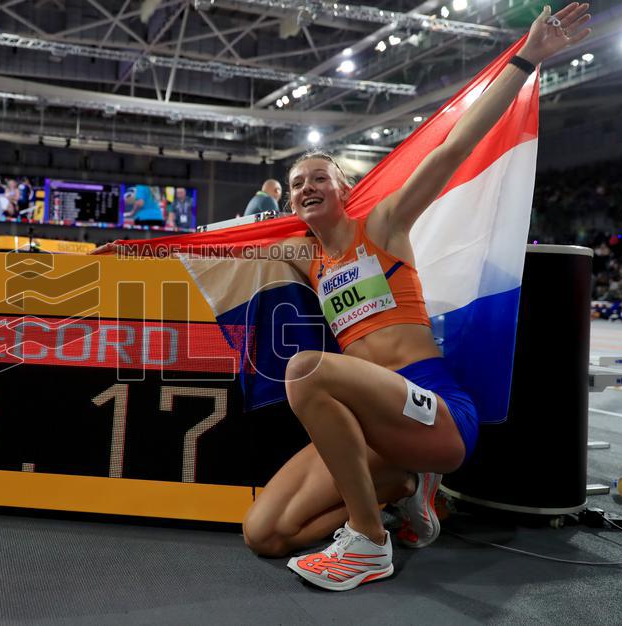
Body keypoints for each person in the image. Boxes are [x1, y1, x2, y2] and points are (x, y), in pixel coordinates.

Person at [239, 4, 591, 591]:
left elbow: (452, 150)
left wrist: (527, 58)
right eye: (297, 183)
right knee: (264, 534)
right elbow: (227, 248)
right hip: (375, 438)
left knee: (304, 371)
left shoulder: (383, 226)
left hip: (436, 413)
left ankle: (368, 543)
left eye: (319, 176)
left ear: (344, 188)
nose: (307, 187)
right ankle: (400, 490)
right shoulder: (306, 258)